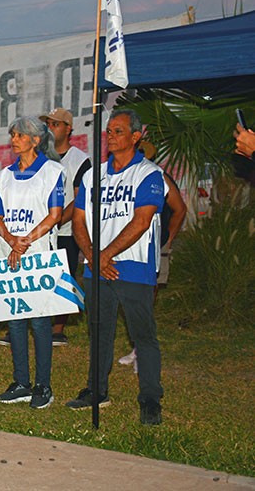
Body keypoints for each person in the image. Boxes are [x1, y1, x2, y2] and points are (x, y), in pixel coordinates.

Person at [67, 109, 166, 426]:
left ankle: (150, 399)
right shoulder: (93, 175)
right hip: (96, 267)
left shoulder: (149, 174)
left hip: (134, 266)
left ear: (136, 136)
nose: (110, 136)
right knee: (99, 333)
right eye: (108, 130)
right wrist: (93, 256)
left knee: (142, 336)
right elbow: (78, 220)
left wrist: (104, 255)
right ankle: (96, 391)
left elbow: (142, 221)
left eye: (118, 131)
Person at [0, 116, 64, 409]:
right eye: (13, 135)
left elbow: (55, 215)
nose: (14, 139)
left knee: (41, 321)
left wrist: (25, 241)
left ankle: (43, 385)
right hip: (10, 255)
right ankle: (21, 382)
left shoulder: (52, 172)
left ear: (35, 140)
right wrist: (11, 240)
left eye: (20, 135)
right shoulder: (3, 176)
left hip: (38, 255)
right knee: (16, 319)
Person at [118, 140, 186, 370]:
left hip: (152, 247)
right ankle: (138, 349)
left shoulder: (158, 176)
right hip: (127, 247)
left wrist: (167, 238)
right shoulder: (122, 178)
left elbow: (180, 209)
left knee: (145, 300)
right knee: (129, 300)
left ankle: (143, 353)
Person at [40, 108, 91, 346]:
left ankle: (58, 328)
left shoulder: (80, 159)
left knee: (63, 275)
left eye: (56, 124)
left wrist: (57, 219)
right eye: (48, 124)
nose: (50, 128)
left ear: (69, 129)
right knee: (36, 275)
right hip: (39, 230)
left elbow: (80, 198)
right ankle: (31, 319)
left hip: (65, 230)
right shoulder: (39, 155)